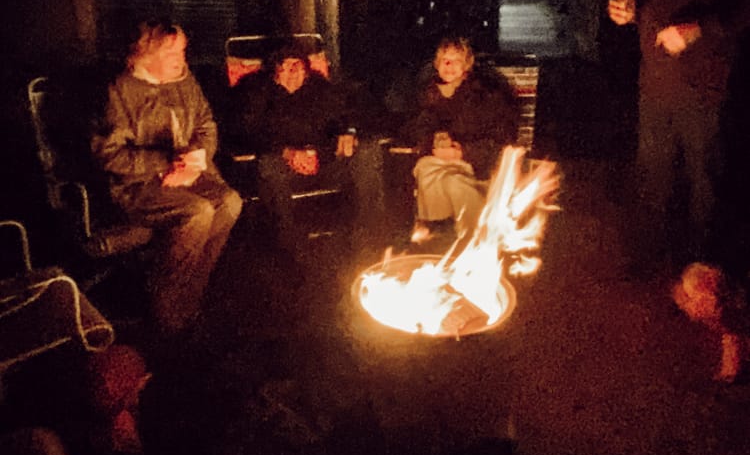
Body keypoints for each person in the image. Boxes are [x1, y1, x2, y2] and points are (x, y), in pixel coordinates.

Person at [606, 0, 750, 274]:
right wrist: (626, 11)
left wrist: (698, 29)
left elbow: (745, 7)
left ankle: (702, 268)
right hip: (655, 83)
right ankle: (649, 258)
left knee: (705, 177)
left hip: (708, 86)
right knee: (653, 172)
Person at [92, 20, 243, 337]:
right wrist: (164, 163)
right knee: (197, 212)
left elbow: (206, 124)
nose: (181, 57)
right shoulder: (120, 91)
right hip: (139, 185)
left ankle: (190, 296)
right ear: (146, 54)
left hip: (190, 173)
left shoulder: (184, 82)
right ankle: (167, 308)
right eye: (171, 50)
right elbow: (109, 155)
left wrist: (198, 155)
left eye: (183, 49)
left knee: (229, 202)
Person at [232, 41, 387, 263]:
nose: (293, 72)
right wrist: (287, 153)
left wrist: (348, 131)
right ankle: (290, 248)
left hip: (324, 161)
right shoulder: (256, 91)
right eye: (286, 66)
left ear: (307, 69)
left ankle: (370, 238)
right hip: (284, 166)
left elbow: (349, 114)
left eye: (299, 66)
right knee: (268, 164)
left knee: (368, 150)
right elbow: (248, 132)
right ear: (275, 70)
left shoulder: (320, 87)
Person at [406, 36, 520, 241]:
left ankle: (472, 234)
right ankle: (440, 229)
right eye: (444, 60)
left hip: (480, 161)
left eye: (456, 60)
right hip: (441, 160)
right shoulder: (430, 93)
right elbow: (416, 129)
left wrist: (462, 152)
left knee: (452, 182)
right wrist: (431, 143)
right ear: (436, 64)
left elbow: (503, 141)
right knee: (424, 167)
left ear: (467, 65)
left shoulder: (485, 95)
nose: (449, 66)